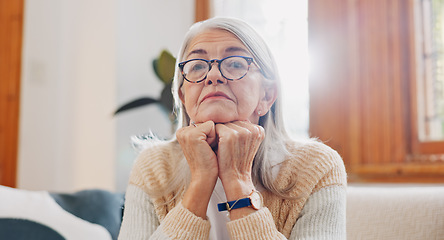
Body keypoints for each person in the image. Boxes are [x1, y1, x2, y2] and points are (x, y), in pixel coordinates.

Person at [118, 17, 347, 240]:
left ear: (267, 95)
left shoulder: (317, 167)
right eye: (197, 66)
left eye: (235, 63)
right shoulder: (153, 166)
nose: (214, 75)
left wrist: (239, 183)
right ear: (183, 96)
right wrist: (199, 185)